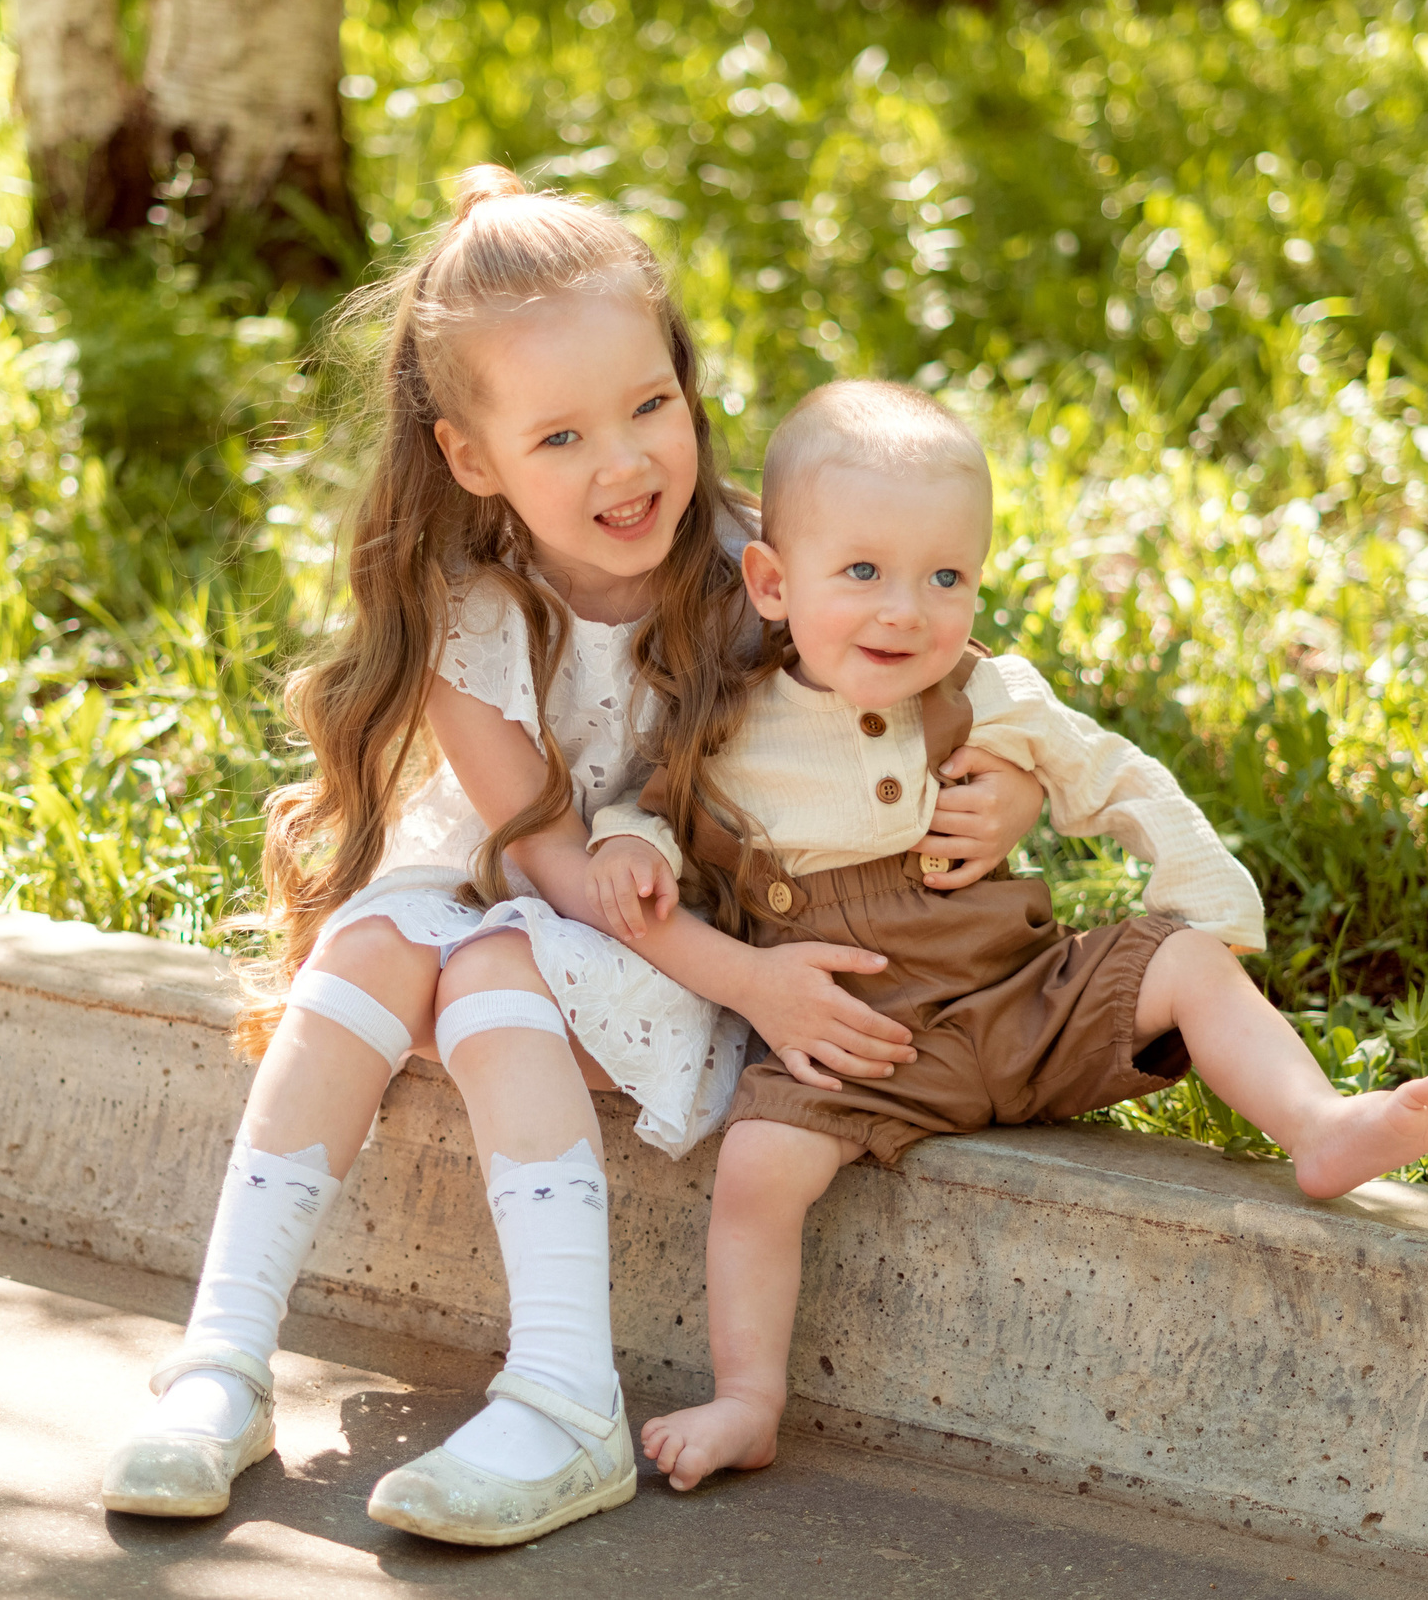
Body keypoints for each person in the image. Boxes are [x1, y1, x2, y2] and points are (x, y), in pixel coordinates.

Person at [101, 177, 1050, 1545]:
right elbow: (540, 854)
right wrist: (749, 981)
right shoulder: (466, 610)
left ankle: (564, 1394)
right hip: (553, 885)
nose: (625, 464)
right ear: (473, 457)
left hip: (691, 919)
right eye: (560, 433)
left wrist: (1009, 780)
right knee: (371, 944)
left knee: (488, 966)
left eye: (648, 405)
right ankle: (221, 1361)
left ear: (685, 382)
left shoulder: (755, 568)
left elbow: (951, 661)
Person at [585, 381, 1428, 1492]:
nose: (904, 610)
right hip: (860, 1049)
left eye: (944, 577)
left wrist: (1207, 897)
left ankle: (1317, 1122)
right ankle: (749, 1397)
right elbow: (649, 809)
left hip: (1022, 1000)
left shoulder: (989, 695)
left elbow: (1116, 779)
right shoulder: (729, 722)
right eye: (860, 573)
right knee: (758, 1170)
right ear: (772, 583)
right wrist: (630, 851)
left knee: (1179, 962)